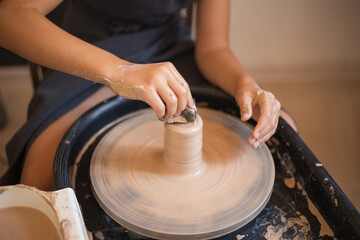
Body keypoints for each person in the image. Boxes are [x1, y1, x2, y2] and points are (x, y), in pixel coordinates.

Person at [0, 0, 297, 190]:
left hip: (167, 48)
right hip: (90, 52)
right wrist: (121, 73)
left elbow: (213, 48)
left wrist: (245, 84)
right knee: (43, 176)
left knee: (283, 131)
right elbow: (10, 16)